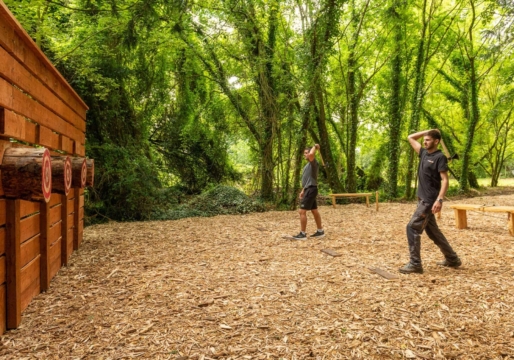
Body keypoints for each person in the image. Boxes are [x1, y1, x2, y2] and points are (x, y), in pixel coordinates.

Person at [399, 129, 461, 274]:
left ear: (436, 141)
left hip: (429, 200)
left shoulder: (440, 157)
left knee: (412, 227)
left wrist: (439, 200)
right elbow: (410, 137)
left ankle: (415, 264)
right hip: (422, 199)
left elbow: (445, 180)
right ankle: (452, 259)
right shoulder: (424, 153)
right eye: (424, 140)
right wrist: (428, 131)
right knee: (433, 232)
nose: (424, 142)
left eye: (428, 139)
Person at [292, 144, 325, 240]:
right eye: (304, 154)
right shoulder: (307, 165)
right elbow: (308, 180)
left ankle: (302, 234)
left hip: (311, 190)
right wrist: (303, 190)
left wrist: (315, 147)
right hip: (309, 189)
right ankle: (320, 231)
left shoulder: (313, 163)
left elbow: (311, 155)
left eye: (306, 153)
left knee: (302, 211)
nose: (305, 155)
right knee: (314, 211)